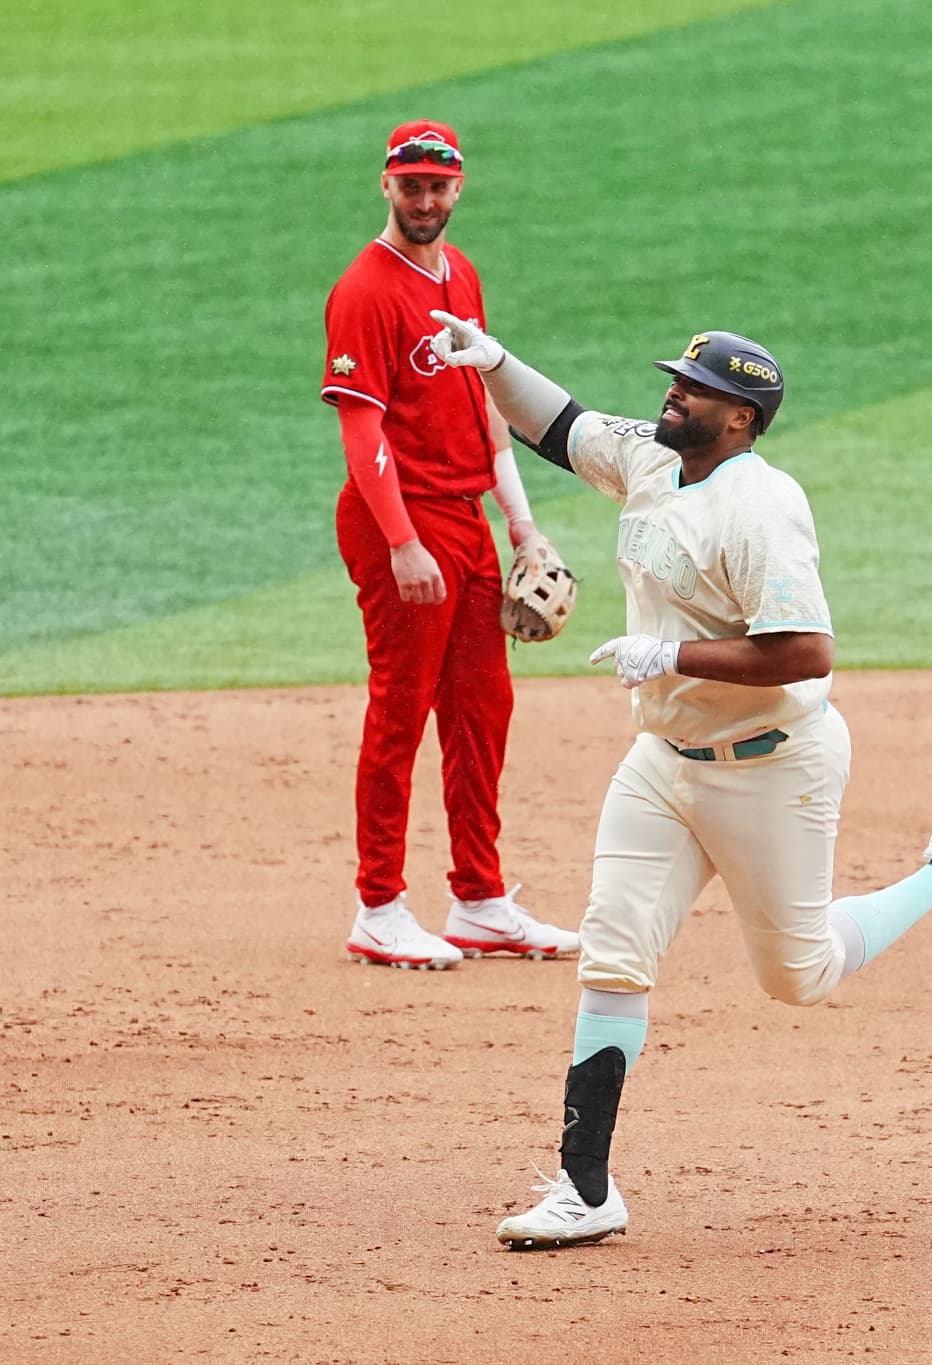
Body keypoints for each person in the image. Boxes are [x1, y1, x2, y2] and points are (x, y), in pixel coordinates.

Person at [427, 309, 932, 1248]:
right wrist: (492, 360)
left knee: (800, 976)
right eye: (678, 378)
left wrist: (669, 653)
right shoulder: (653, 457)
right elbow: (561, 424)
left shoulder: (763, 508)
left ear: (742, 419)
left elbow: (805, 650)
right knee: (613, 950)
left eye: (698, 389)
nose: (675, 393)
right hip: (663, 765)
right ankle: (586, 1190)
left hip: (773, 770)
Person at [319, 121, 579, 969]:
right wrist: (401, 541)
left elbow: (486, 406)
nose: (425, 201)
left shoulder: (460, 273)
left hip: (464, 517)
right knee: (402, 704)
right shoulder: (364, 290)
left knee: (481, 706)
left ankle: (479, 897)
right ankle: (379, 904)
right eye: (411, 186)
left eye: (439, 186)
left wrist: (521, 519)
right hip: (400, 518)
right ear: (385, 186)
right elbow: (365, 432)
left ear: (459, 187)